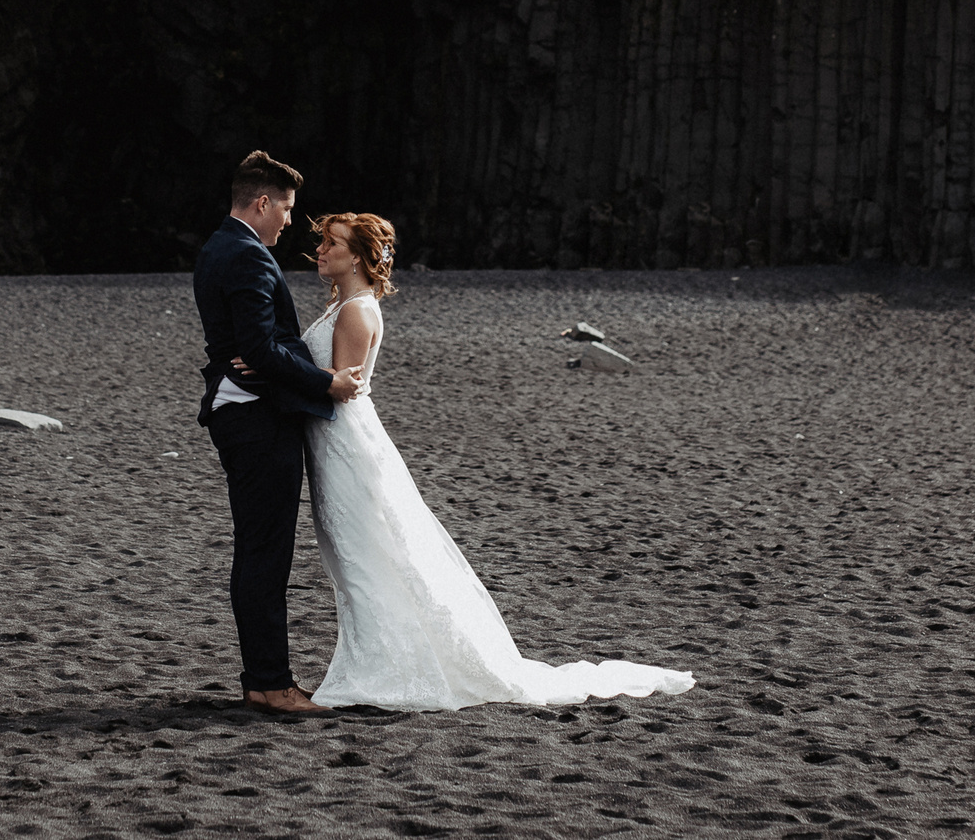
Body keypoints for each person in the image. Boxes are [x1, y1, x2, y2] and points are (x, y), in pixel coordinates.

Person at [247, 210, 697, 711]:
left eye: (332, 244)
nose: (321, 252)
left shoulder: (356, 310)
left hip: (346, 445)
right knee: (361, 558)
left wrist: (270, 371)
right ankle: (381, 660)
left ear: (357, 256)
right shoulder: (347, 303)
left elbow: (339, 388)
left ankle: (391, 668)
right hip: (333, 446)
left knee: (371, 558)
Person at [192, 151, 363, 716]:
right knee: (265, 553)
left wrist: (254, 357)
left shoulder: (220, 246)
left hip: (243, 412)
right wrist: (326, 383)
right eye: (286, 208)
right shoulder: (246, 256)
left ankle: (264, 679)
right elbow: (260, 348)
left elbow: (255, 349)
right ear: (262, 203)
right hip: (256, 419)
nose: (289, 221)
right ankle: (271, 683)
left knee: (259, 550)